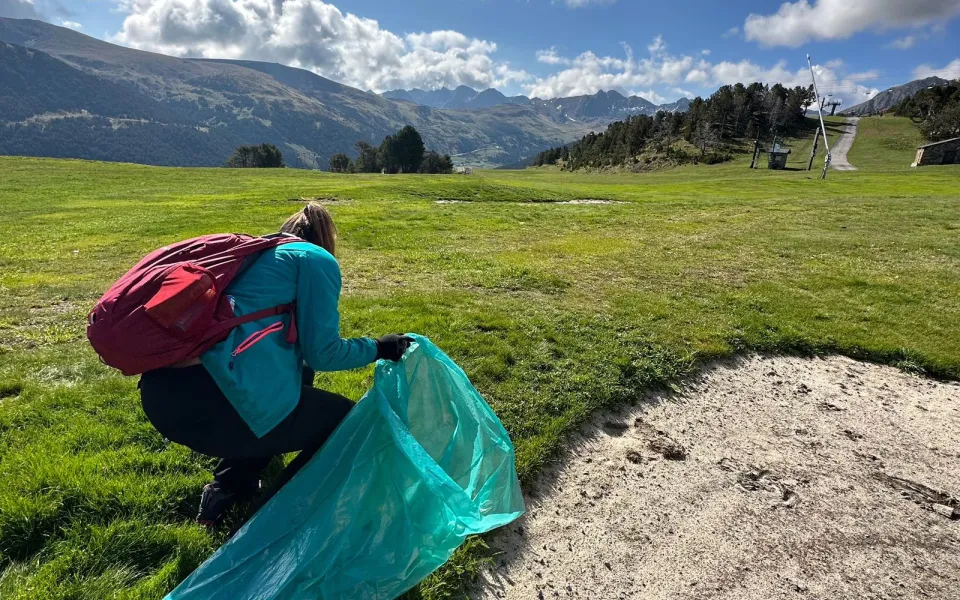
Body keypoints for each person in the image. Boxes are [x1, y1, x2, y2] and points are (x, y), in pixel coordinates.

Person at [139, 202, 412, 527]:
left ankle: (228, 489)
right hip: (209, 402)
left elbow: (298, 357)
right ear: (325, 240)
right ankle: (270, 524)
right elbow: (324, 352)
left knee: (296, 384)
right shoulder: (316, 260)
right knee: (347, 422)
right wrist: (380, 347)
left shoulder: (254, 255)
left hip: (162, 395)